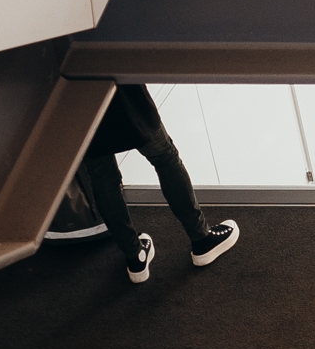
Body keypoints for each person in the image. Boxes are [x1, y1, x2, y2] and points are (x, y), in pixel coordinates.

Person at [79, 83, 239, 283]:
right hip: (120, 91)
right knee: (165, 157)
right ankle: (202, 238)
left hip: (78, 101)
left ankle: (134, 256)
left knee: (102, 177)